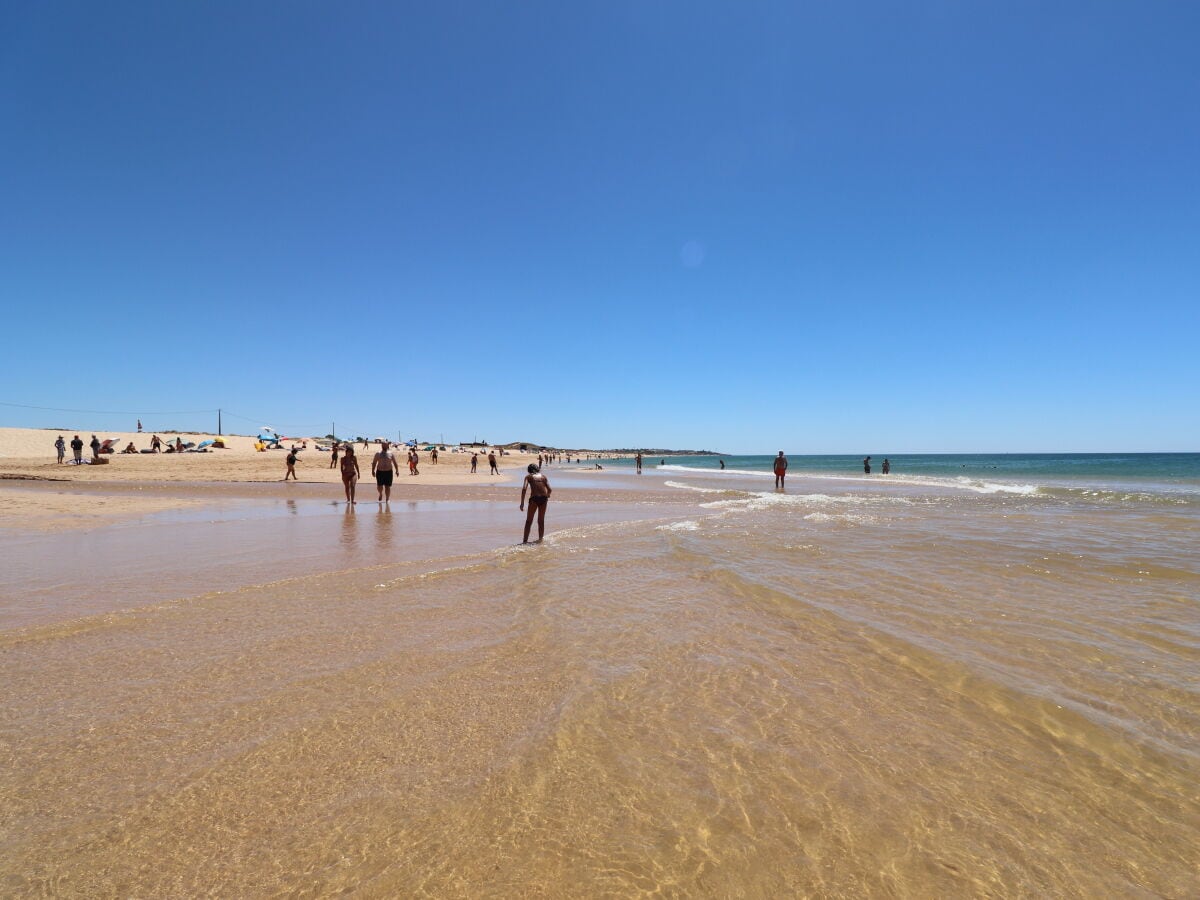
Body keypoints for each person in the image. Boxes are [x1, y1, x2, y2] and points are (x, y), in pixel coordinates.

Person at [520, 463, 552, 543]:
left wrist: (522, 503)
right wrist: (547, 496)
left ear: (529, 470)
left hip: (534, 499)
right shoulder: (543, 477)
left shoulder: (528, 477)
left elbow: (524, 489)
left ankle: (525, 542)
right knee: (541, 521)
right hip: (544, 499)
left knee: (529, 521)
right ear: (537, 469)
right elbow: (550, 489)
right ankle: (540, 540)